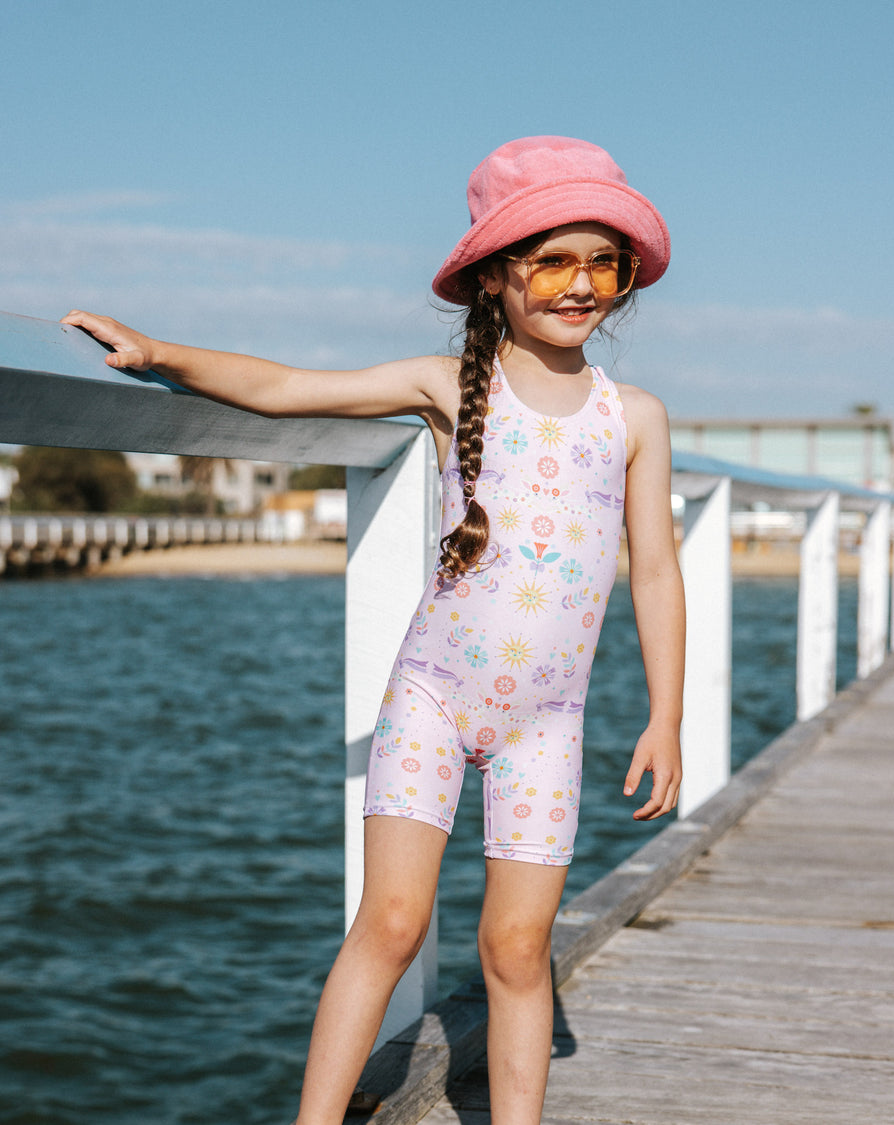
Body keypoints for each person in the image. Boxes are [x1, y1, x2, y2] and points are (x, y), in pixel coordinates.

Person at [63, 134, 685, 1125]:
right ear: (494, 277)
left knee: (518, 950)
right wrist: (160, 355)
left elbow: (655, 566)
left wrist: (665, 717)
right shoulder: (450, 388)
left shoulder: (636, 416)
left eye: (601, 263)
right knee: (390, 923)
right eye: (552, 261)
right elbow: (286, 388)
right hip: (433, 698)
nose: (580, 285)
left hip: (547, 722)